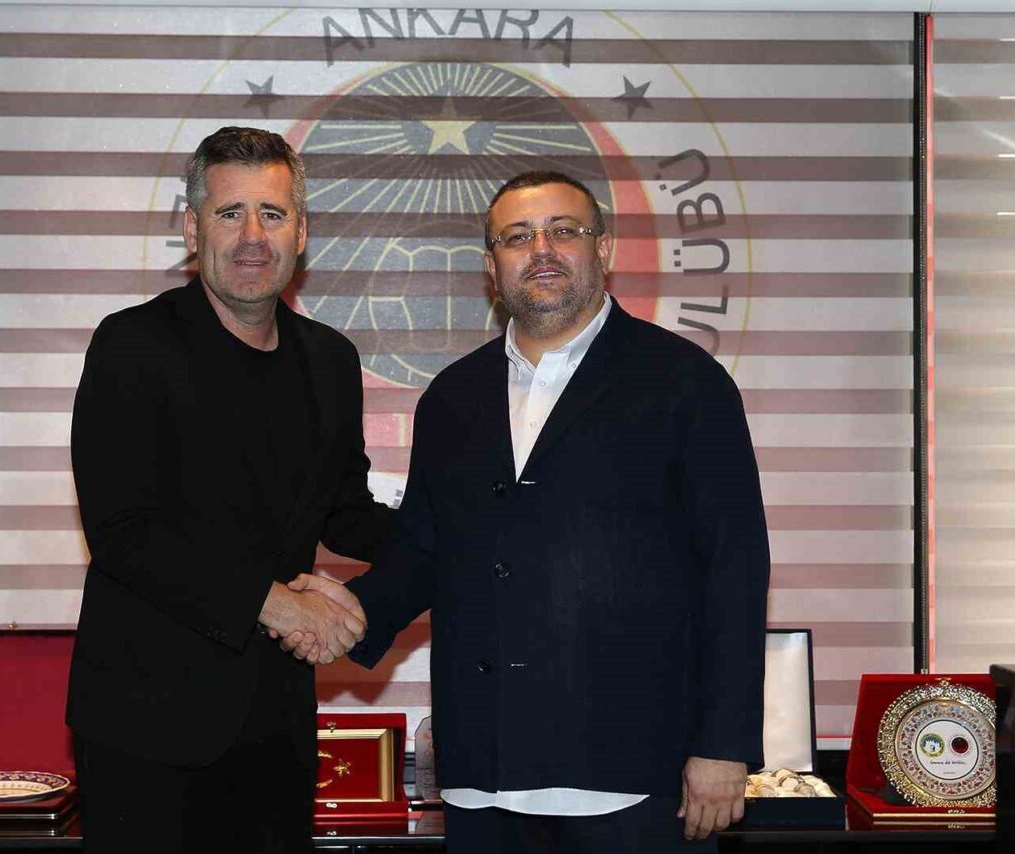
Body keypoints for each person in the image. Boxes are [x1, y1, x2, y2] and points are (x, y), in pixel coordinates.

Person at [290, 170, 770, 852]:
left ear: (603, 248)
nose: (541, 249)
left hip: (631, 772)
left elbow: (734, 569)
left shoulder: (685, 382)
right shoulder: (453, 397)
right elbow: (424, 552)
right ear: (492, 267)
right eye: (517, 237)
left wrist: (723, 745)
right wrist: (349, 616)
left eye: (563, 231)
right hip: (482, 772)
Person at [67, 126, 392, 854]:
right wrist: (278, 603)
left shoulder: (331, 360)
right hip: (146, 729)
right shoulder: (132, 345)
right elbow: (124, 532)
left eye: (272, 214)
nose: (252, 237)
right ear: (192, 229)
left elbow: (346, 511)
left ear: (301, 232)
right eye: (229, 213)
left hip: (277, 724)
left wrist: (461, 532)